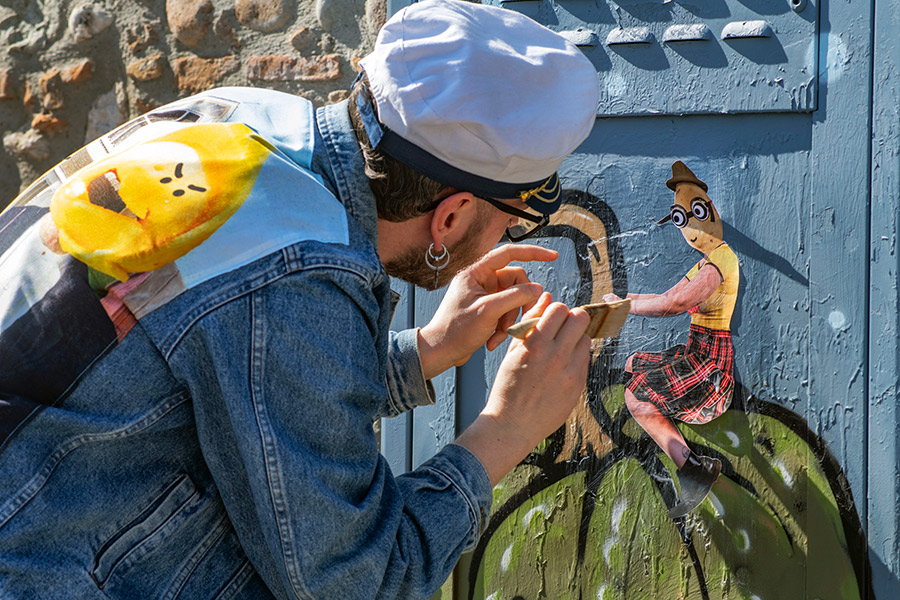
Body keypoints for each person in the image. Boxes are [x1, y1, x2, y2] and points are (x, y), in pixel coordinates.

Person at [0, 1, 600, 598]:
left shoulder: (248, 119)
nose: (506, 237)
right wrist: (508, 427)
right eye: (513, 221)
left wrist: (428, 349)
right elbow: (356, 581)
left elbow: (252, 388)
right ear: (452, 216)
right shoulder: (297, 275)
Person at [604, 161, 739, 519]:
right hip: (697, 351)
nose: (691, 229)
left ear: (709, 210)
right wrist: (622, 301)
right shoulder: (704, 264)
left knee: (637, 396)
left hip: (710, 366)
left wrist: (625, 307)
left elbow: (675, 305)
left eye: (695, 214)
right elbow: (667, 295)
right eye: (681, 219)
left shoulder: (720, 263)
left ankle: (693, 468)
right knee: (633, 364)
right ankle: (682, 454)